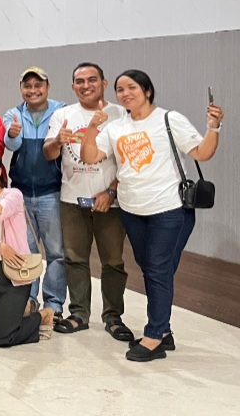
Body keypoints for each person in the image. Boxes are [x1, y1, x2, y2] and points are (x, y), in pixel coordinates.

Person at [80, 70, 224, 362]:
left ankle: (154, 336)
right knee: (152, 269)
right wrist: (93, 128)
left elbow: (202, 152)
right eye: (120, 89)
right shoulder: (116, 127)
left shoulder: (169, 119)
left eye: (131, 87)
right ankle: (164, 330)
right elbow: (90, 156)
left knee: (157, 270)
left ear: (147, 90)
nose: (125, 94)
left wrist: (214, 127)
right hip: (133, 211)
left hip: (169, 210)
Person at [44, 63, 131, 340]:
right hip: (72, 200)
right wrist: (57, 142)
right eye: (79, 81)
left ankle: (113, 316)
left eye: (92, 80)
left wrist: (111, 192)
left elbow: (128, 160)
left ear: (104, 83)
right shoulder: (63, 115)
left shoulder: (120, 114)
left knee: (113, 261)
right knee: (75, 259)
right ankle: (79, 313)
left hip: (110, 202)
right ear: (73, 86)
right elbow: (48, 153)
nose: (86, 85)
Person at [0, 152, 55, 347]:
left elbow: (5, 209)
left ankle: (42, 316)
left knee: (0, 338)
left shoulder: (13, 195)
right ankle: (16, 316)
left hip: (14, 270)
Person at [2, 67, 66, 317]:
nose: (33, 90)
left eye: (38, 85)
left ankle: (54, 304)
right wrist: (12, 133)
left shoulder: (61, 111)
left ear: (47, 87)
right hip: (21, 194)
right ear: (21, 89)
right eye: (27, 86)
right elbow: (12, 145)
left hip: (52, 192)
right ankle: (28, 299)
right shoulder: (13, 114)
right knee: (26, 250)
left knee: (56, 252)